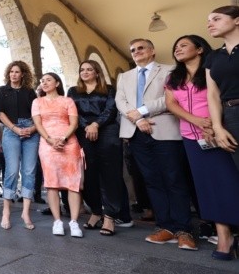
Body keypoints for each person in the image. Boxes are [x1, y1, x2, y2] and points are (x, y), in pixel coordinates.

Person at [115, 38, 196, 250]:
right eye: (133, 50)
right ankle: (165, 227)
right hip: (136, 133)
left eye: (141, 48)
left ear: (152, 51)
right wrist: (138, 120)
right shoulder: (124, 76)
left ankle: (184, 230)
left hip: (165, 130)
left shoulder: (170, 70)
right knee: (152, 181)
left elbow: (171, 98)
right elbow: (120, 101)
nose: (136, 51)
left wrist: (142, 111)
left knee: (174, 179)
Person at [166, 34, 239, 260]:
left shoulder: (213, 69)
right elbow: (171, 103)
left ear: (199, 49)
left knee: (230, 182)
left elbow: (219, 97)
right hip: (191, 138)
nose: (178, 49)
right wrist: (196, 121)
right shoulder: (173, 77)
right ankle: (224, 237)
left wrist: (215, 126)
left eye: (183, 45)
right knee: (208, 187)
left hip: (220, 133)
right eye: (176, 47)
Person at [67, 60, 125, 236]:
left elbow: (111, 110)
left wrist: (95, 124)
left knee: (109, 174)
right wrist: (87, 126)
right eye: (82, 70)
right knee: (88, 174)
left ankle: (109, 216)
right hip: (83, 132)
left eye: (89, 69)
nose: (85, 72)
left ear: (97, 72)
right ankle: (96, 211)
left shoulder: (109, 89)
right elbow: (73, 112)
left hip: (107, 131)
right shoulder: (73, 91)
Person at [32, 72, 84, 238]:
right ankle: (57, 221)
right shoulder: (37, 102)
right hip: (47, 145)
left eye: (48, 80)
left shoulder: (67, 101)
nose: (44, 83)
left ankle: (74, 222)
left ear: (57, 83)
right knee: (51, 183)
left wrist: (63, 138)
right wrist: (50, 139)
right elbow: (38, 124)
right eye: (42, 81)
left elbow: (74, 123)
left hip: (69, 143)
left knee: (73, 183)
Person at [0, 61, 39, 230]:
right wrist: (15, 128)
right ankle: (6, 212)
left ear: (23, 74)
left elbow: (37, 114)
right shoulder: (2, 91)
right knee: (11, 171)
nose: (13, 74)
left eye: (17, 72)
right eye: (11, 71)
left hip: (30, 131)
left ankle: (25, 212)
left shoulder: (30, 92)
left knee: (29, 171)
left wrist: (32, 129)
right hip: (11, 131)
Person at [206, 5, 239, 172]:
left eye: (216, 19)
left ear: (237, 20)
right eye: (208, 21)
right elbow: (212, 94)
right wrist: (218, 127)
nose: (210, 24)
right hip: (231, 114)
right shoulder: (212, 57)